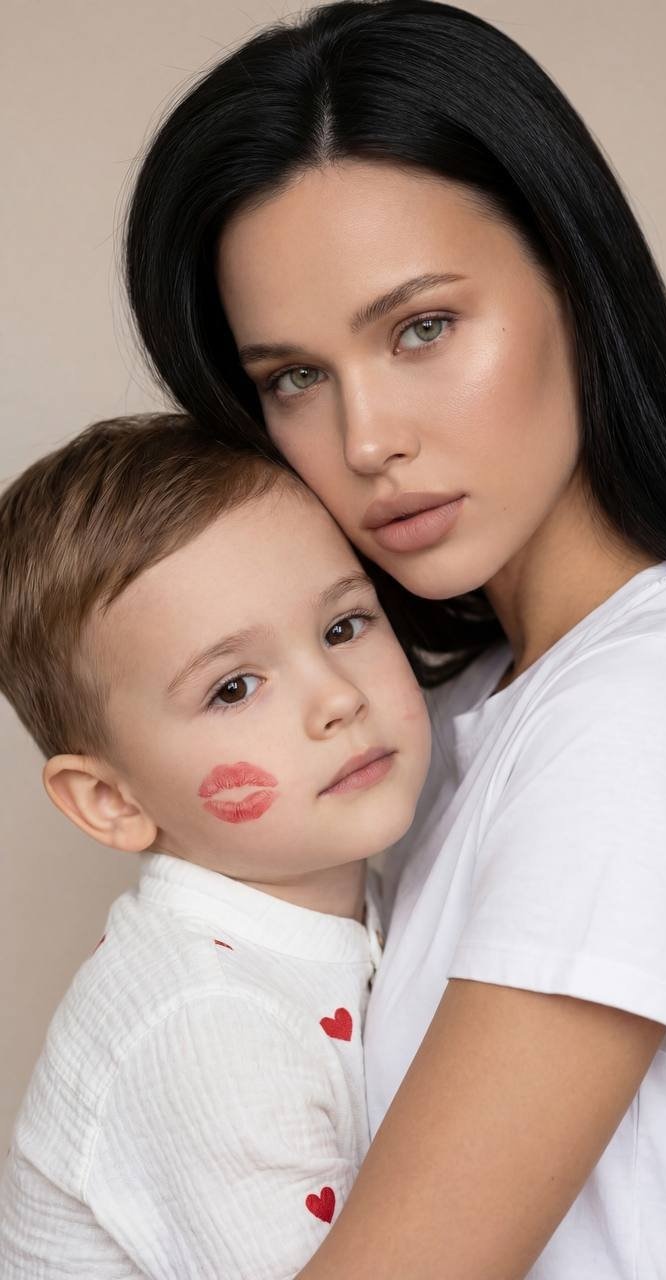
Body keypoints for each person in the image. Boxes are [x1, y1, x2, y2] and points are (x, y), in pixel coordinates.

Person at [123, 1, 666, 1277]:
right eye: (294, 377)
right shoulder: (428, 724)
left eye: (422, 327)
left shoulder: (649, 705)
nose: (367, 438)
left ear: (575, 277)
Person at [0, 413, 432, 1277]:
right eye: (234, 687)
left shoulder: (357, 901)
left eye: (345, 626)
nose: (337, 699)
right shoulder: (206, 1022)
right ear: (110, 801)